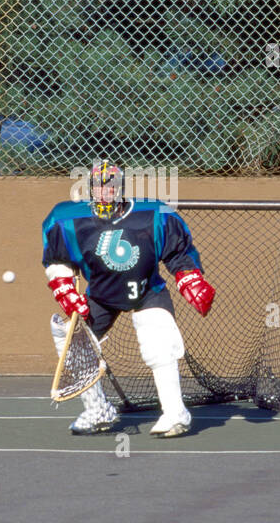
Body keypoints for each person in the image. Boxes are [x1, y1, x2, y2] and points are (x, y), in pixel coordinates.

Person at [41, 159, 216, 438]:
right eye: (99, 186)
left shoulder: (153, 214)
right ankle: (97, 409)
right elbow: (58, 260)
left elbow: (178, 251)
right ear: (89, 188)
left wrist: (189, 277)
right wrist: (64, 287)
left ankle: (175, 413)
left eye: (111, 186)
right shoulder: (68, 220)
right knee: (71, 341)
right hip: (100, 295)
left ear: (121, 188)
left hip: (148, 291)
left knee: (159, 345)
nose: (105, 192)